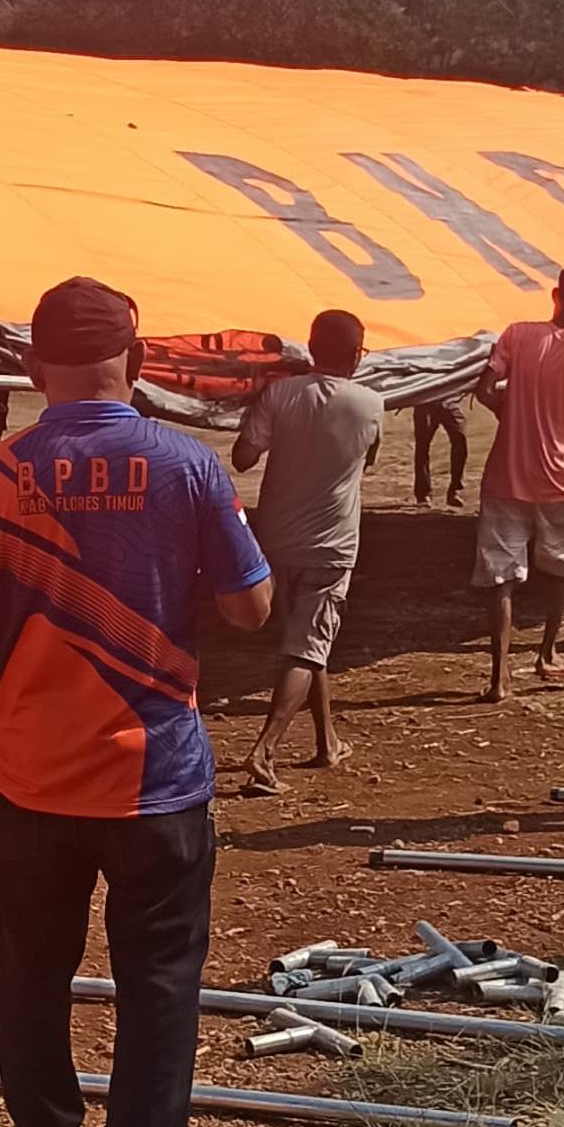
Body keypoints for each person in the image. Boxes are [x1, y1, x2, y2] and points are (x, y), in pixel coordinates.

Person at [0, 276, 273, 1127]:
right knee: (158, 981)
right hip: (156, 779)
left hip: (31, 780)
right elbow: (249, 611)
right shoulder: (188, 468)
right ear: (140, 360)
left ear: (32, 371)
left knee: (31, 976)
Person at [232, 310, 386, 795]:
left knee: (308, 642)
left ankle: (327, 741)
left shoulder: (280, 393)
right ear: (358, 356)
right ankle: (265, 751)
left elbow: (242, 457)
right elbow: (371, 462)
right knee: (306, 646)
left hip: (275, 540)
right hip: (333, 545)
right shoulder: (371, 404)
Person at [472, 263, 564, 701]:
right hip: (556, 474)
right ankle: (547, 651)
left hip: (505, 472)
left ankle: (499, 676)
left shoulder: (517, 334)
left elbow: (485, 386)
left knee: (502, 575)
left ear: (555, 294)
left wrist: (506, 412)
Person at [410, 396, 469, 508]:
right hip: (425, 403)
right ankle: (423, 494)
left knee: (460, 442)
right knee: (422, 447)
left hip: (450, 402)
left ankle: (455, 491)